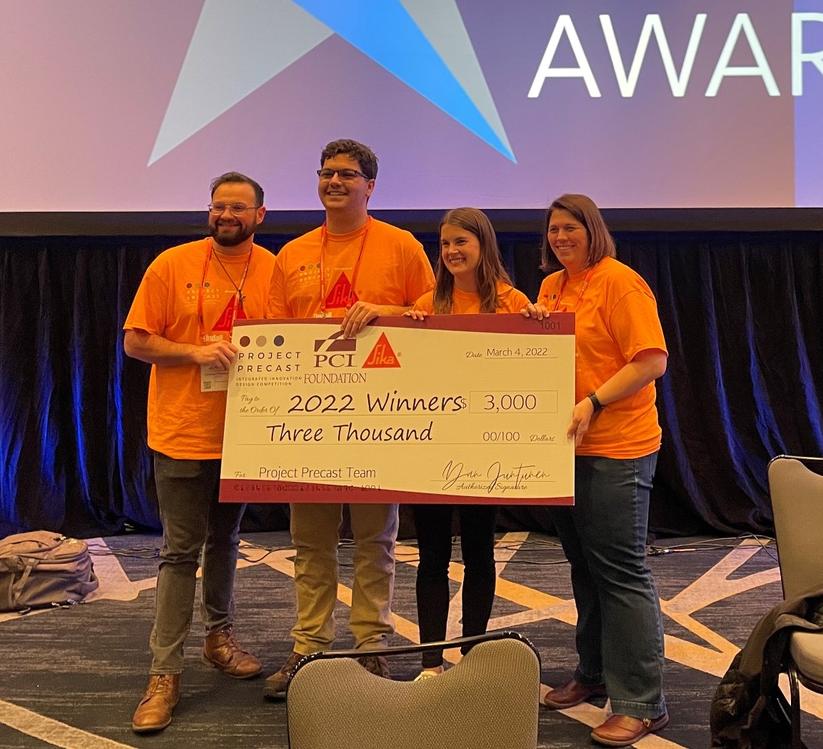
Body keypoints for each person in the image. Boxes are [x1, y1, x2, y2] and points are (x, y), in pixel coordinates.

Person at [263, 139, 434, 699]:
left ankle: (371, 647)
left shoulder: (401, 246)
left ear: (371, 186)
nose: (335, 182)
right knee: (309, 541)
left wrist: (381, 312)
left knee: (374, 539)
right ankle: (309, 646)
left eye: (348, 174)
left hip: (376, 421)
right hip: (307, 422)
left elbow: (433, 312)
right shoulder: (291, 254)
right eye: (326, 173)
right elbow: (269, 329)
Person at [122, 171, 274, 734]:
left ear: (261, 214)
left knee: (227, 540)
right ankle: (164, 674)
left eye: (238, 207)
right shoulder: (171, 264)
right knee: (179, 553)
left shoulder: (276, 269)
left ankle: (219, 638)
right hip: (183, 432)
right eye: (217, 206)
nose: (226, 215)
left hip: (247, 434)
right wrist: (195, 353)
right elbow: (135, 341)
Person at [525, 194, 670, 747]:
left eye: (572, 228)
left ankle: (642, 703)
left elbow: (650, 360)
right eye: (554, 230)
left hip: (617, 446)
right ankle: (593, 674)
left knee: (622, 573)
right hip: (566, 447)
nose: (561, 238)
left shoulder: (620, 282)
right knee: (585, 568)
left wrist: (594, 402)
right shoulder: (552, 287)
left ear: (594, 231)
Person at [403, 208, 531, 679]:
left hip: (486, 452)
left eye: (462, 242)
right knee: (431, 555)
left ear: (484, 246)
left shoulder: (515, 302)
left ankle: (474, 653)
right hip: (433, 452)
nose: (452, 252)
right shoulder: (426, 302)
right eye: (445, 244)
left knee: (480, 554)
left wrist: (539, 323)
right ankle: (431, 661)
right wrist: (407, 326)